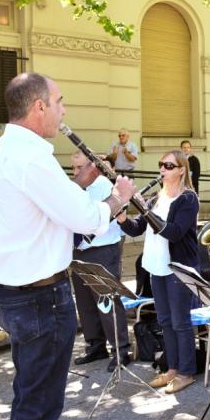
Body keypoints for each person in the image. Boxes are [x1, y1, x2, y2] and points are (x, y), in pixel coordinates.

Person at [0, 72, 135, 420]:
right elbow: (85, 218)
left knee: (29, 395)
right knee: (42, 405)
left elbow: (39, 207)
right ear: (39, 106)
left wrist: (79, 185)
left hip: (12, 293)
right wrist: (118, 197)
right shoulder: (33, 157)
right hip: (41, 298)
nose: (63, 111)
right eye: (60, 101)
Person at [119, 150, 199, 394]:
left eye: (168, 165)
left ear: (181, 170)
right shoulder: (155, 198)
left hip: (177, 268)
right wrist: (122, 217)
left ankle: (186, 372)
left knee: (180, 322)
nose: (162, 169)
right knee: (164, 320)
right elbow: (136, 229)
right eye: (161, 164)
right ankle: (172, 368)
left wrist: (145, 211)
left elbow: (173, 232)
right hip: (156, 266)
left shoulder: (188, 199)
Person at [70, 151, 130, 372]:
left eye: (79, 168)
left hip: (103, 249)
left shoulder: (105, 186)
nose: (75, 173)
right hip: (80, 250)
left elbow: (104, 216)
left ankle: (121, 350)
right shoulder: (75, 188)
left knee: (107, 301)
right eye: (73, 168)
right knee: (85, 302)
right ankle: (95, 345)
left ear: (92, 167)